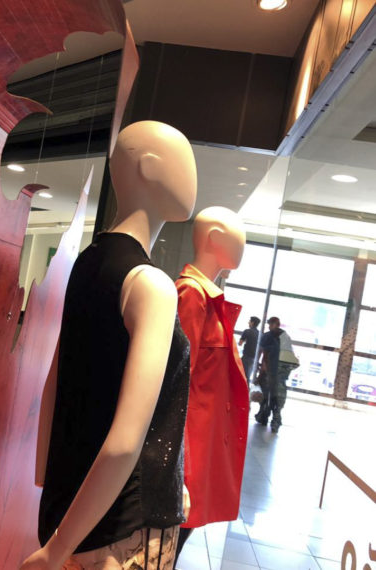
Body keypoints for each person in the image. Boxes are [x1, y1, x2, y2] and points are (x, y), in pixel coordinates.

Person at [20, 120, 198, 570]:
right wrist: (57, 549)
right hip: (124, 531)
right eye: (186, 161)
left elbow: (56, 382)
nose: (194, 178)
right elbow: (124, 443)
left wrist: (49, 484)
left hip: (73, 509)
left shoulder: (88, 262)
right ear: (150, 167)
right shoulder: (152, 285)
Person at [174, 207, 249, 562]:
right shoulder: (191, 294)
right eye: (239, 237)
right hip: (186, 455)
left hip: (198, 451)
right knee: (166, 547)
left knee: (172, 547)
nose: (243, 246)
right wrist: (177, 470)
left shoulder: (209, 298)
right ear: (214, 238)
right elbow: (175, 385)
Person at [254, 316, 298, 433]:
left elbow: (263, 353)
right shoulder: (285, 336)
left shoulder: (268, 336)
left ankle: (264, 416)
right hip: (281, 372)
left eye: (270, 324)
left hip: (271, 370)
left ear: (275, 324)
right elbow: (289, 355)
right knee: (277, 398)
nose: (269, 326)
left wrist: (261, 368)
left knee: (266, 396)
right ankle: (275, 421)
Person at [238, 316, 261, 384]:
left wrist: (246, 340)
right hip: (254, 358)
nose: (248, 322)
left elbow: (240, 343)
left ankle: (245, 389)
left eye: (249, 321)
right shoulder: (259, 334)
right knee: (247, 375)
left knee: (243, 375)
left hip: (246, 357)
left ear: (252, 323)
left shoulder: (247, 331)